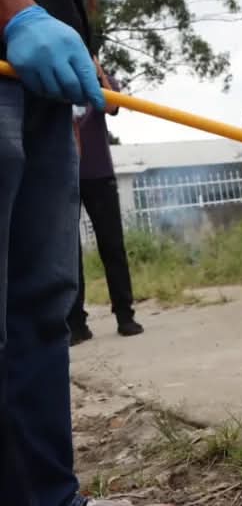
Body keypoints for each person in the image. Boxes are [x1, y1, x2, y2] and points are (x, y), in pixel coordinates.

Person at [0, 0, 130, 506]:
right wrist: (10, 7)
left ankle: (49, 497)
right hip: (6, 58)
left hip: (40, 79)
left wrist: (75, 36)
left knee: (42, 303)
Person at [68, 57, 143, 343]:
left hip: (99, 173)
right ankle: (75, 322)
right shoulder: (53, 73)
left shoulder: (102, 78)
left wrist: (96, 69)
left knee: (112, 246)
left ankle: (125, 315)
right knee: (68, 252)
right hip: (64, 174)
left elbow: (111, 105)